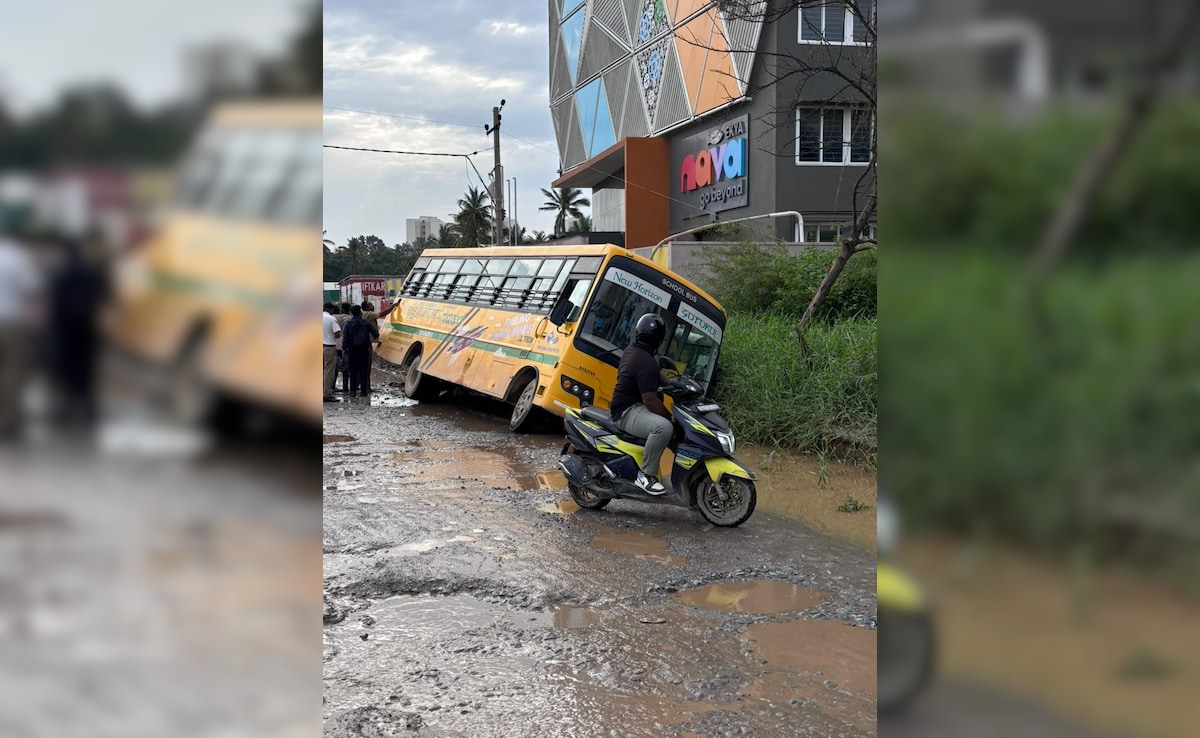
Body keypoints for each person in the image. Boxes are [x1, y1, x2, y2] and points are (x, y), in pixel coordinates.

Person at [610, 313, 675, 494]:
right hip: (626, 411)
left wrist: (676, 385)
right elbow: (650, 400)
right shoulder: (646, 361)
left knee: (664, 424)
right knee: (663, 427)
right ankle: (645, 475)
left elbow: (654, 374)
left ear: (638, 332)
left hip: (625, 408)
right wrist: (670, 418)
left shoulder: (633, 351)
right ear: (660, 340)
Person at [0, 234, 42, 440]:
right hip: (12, 322)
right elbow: (32, 289)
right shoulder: (18, 257)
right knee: (13, 372)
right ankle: (8, 421)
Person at [342, 304, 379, 398]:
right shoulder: (366, 323)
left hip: (352, 350)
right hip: (364, 349)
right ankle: (363, 391)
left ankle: (352, 391)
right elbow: (376, 334)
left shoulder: (348, 324)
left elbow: (345, 338)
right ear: (360, 312)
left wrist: (345, 348)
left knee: (353, 370)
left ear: (352, 313)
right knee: (363, 369)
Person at [322, 303, 341, 402]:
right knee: (328, 371)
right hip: (328, 347)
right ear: (331, 309)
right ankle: (326, 394)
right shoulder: (331, 319)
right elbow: (337, 334)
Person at [335, 302, 352, 393]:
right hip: (345, 346)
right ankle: (346, 387)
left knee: (334, 367)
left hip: (334, 345)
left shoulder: (334, 318)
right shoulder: (350, 319)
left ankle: (332, 386)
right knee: (346, 367)